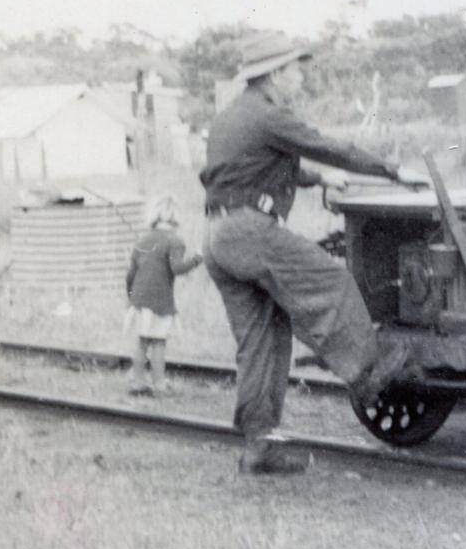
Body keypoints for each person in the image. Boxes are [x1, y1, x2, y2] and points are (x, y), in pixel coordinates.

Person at [201, 30, 426, 475]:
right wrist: (393, 171)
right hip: (250, 231)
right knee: (333, 280)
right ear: (275, 74)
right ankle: (368, 372)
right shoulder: (269, 115)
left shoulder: (232, 116)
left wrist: (319, 181)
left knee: (261, 343)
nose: (302, 76)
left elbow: (253, 167)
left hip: (217, 234)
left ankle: (259, 447)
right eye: (296, 68)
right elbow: (330, 146)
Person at [124, 195, 201, 396]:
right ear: (175, 217)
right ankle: (159, 383)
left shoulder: (143, 239)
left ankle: (137, 381)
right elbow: (177, 268)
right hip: (160, 301)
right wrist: (196, 259)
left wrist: (131, 299)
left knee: (142, 341)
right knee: (158, 342)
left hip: (139, 300)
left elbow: (131, 274)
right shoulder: (175, 240)